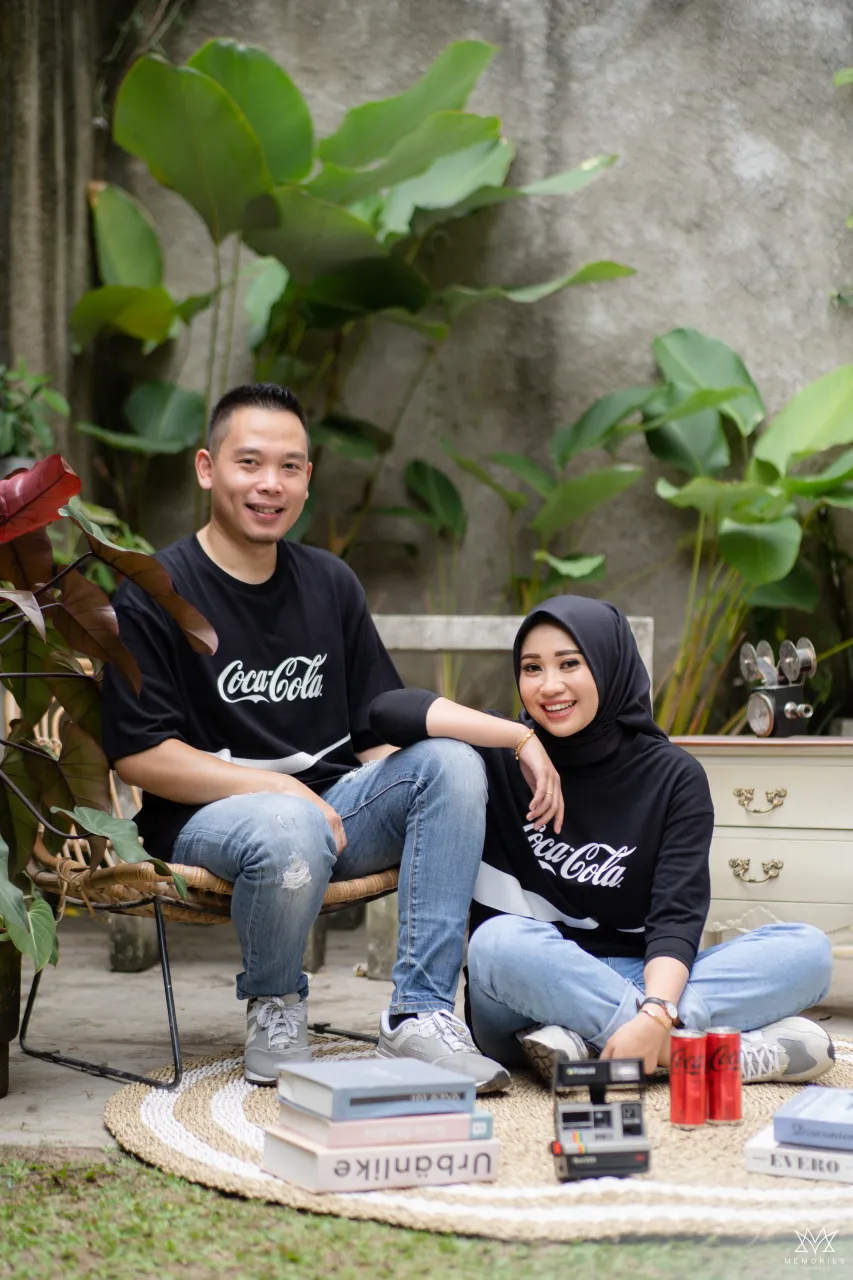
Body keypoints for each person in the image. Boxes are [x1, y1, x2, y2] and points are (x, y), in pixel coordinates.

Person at [101, 382, 508, 1093]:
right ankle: (276, 1003)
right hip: (205, 822)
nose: (271, 484)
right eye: (250, 462)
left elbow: (377, 732)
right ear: (207, 468)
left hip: (333, 813)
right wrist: (278, 788)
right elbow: (140, 753)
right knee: (289, 823)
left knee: (452, 764)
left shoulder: (330, 582)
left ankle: (419, 1013)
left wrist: (453, 780)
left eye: (289, 467)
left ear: (307, 479)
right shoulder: (154, 591)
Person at [369, 595, 836, 1085]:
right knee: (495, 943)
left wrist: (656, 1010)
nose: (550, 685)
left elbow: (676, 921)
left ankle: (591, 1042)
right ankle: (692, 1054)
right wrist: (518, 739)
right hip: (525, 984)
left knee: (806, 951)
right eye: (532, 668)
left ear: (610, 664)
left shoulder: (674, 778)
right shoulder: (498, 756)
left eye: (570, 663)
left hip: (642, 978)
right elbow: (385, 712)